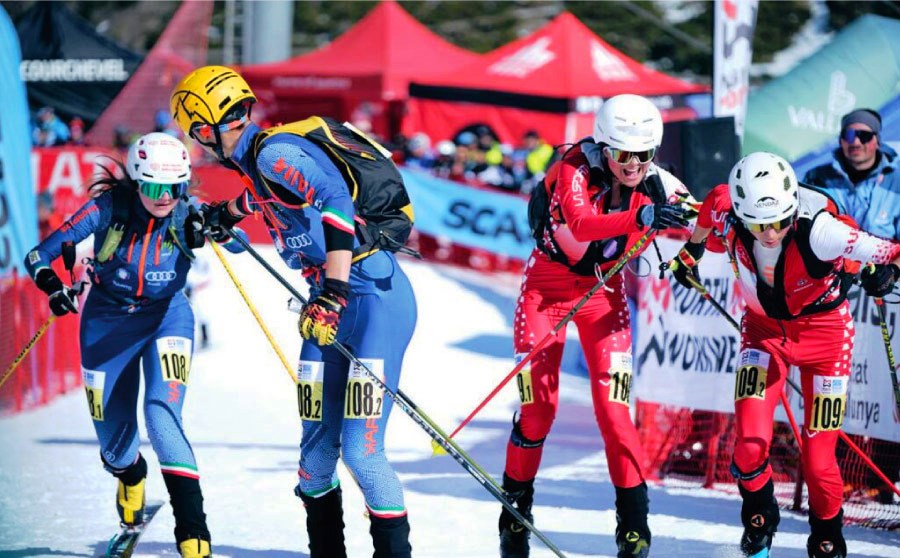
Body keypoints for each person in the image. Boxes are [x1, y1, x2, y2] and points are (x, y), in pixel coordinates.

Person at [170, 65, 418, 558]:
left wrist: (333, 291)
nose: (196, 144)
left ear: (204, 127)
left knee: (362, 453)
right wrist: (224, 216)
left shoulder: (276, 152)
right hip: (327, 307)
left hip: (371, 301)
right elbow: (269, 199)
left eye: (193, 134)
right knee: (315, 457)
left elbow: (335, 201)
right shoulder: (259, 164)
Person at [672, 152, 900, 558]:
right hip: (763, 335)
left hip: (825, 340)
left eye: (779, 221)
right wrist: (691, 252)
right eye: (760, 224)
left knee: (818, 461)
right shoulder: (729, 210)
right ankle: (760, 516)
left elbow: (887, 251)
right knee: (748, 447)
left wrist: (882, 272)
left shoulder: (821, 231)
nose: (771, 233)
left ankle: (827, 537)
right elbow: (711, 204)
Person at [22, 132, 240, 558]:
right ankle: (131, 475)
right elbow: (37, 256)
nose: (166, 197)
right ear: (138, 181)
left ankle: (193, 530)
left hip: (167, 317)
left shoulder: (186, 211)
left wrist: (221, 228)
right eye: (157, 188)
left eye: (176, 187)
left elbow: (230, 240)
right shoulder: (108, 209)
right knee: (116, 447)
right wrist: (53, 288)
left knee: (162, 417)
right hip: (108, 325)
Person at [500, 93, 693, 558]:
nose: (634, 165)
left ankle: (633, 528)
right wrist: (643, 215)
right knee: (537, 411)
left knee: (615, 413)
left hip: (602, 293)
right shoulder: (574, 167)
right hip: (545, 291)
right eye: (624, 154)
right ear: (605, 147)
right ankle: (515, 516)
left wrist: (697, 246)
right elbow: (583, 224)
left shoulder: (656, 181)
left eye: (644, 154)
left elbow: (706, 212)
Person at [802, 108, 900, 241]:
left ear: (877, 141)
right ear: (840, 140)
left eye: (864, 136)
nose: (856, 142)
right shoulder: (816, 179)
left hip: (882, 259)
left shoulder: (896, 182)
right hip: (831, 259)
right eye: (849, 135)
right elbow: (803, 230)